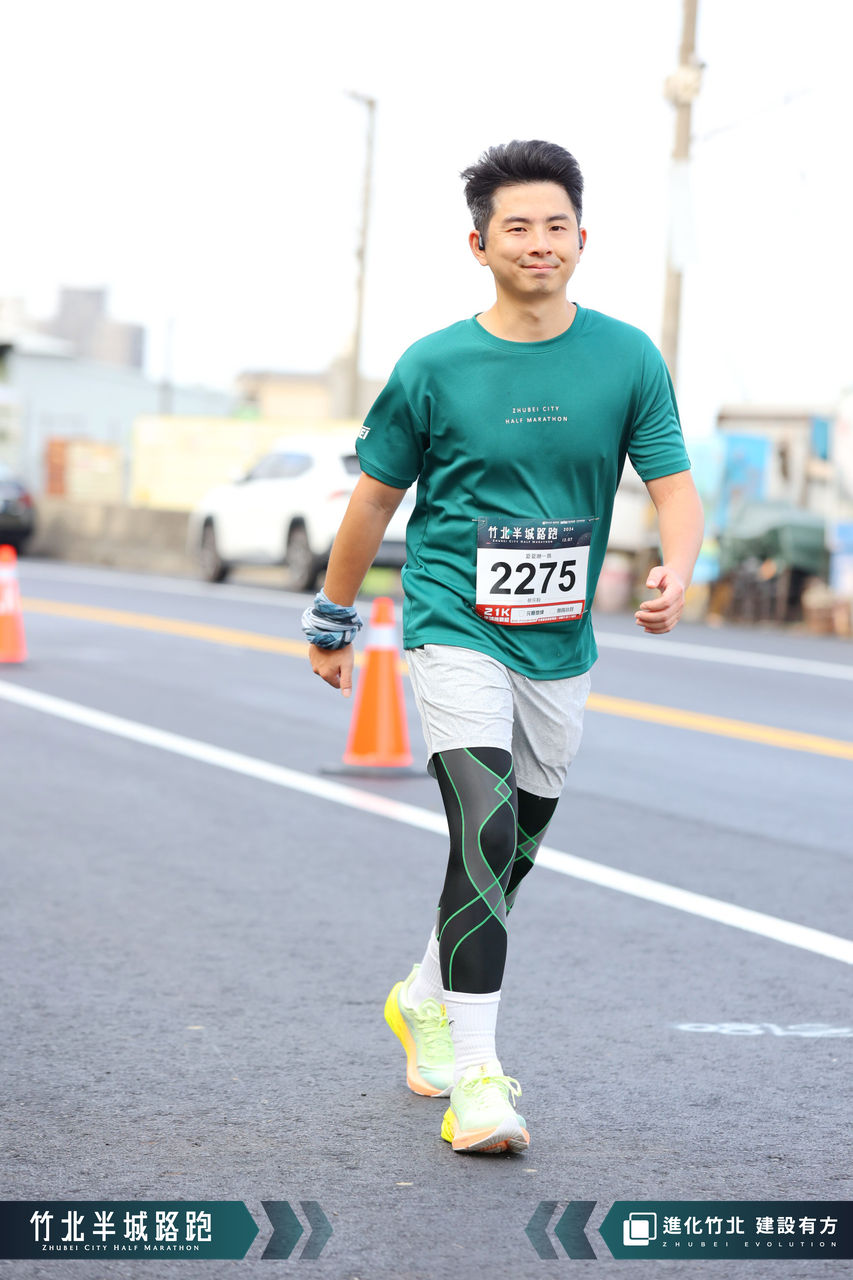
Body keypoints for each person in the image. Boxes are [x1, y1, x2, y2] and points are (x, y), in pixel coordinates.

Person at [303, 140, 704, 1156]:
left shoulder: (626, 358)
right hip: (453, 619)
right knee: (480, 825)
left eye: (555, 225)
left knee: (511, 849)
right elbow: (374, 498)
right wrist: (335, 614)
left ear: (582, 239)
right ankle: (477, 1080)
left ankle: (421, 993)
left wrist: (677, 566)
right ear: (478, 245)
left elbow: (671, 485)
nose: (538, 242)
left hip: (559, 642)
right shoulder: (434, 365)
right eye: (516, 227)